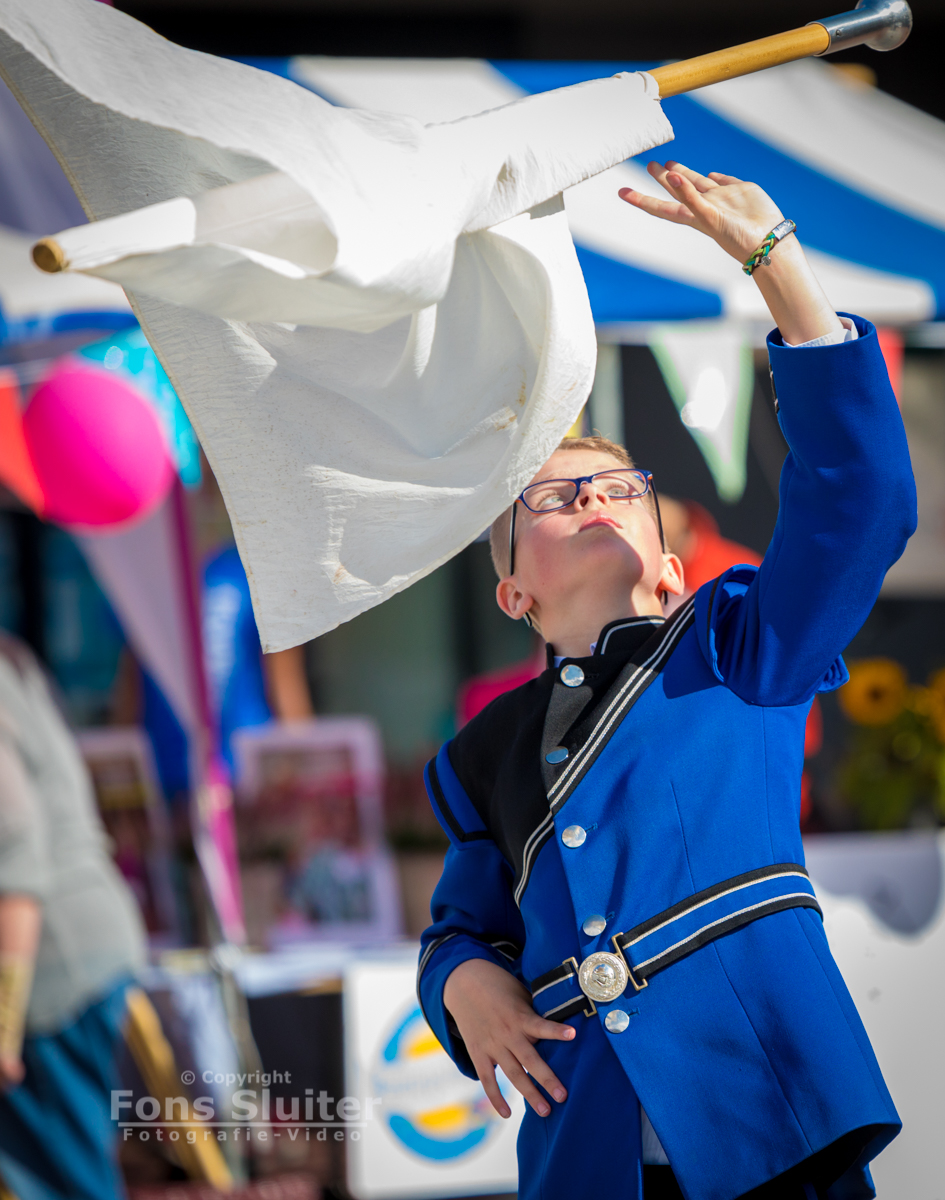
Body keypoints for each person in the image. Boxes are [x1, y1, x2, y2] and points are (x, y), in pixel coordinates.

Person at [417, 161, 915, 1200]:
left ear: (672, 568)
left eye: (618, 487)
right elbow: (463, 922)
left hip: (774, 1131)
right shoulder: (479, 759)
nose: (591, 497)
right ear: (512, 592)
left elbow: (860, 498)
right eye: (552, 498)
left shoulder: (739, 646)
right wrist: (462, 983)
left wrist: (775, 265)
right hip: (588, 1157)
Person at [0, 632, 146, 1200]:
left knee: (70, 1184)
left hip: (52, 975)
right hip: (79, 955)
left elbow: (14, 852)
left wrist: (3, 1020)